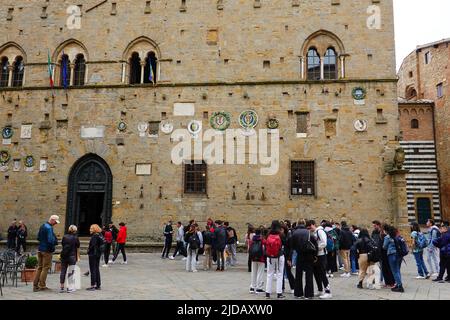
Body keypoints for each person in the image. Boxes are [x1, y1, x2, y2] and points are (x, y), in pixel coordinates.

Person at [289, 220, 317, 299]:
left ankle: (298, 293)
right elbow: (315, 244)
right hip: (309, 255)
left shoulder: (294, 233)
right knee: (309, 275)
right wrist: (315, 255)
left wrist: (290, 257)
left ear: (297, 224)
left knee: (298, 274)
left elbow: (292, 246)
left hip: (299, 255)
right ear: (304, 224)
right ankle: (308, 294)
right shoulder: (308, 232)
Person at [33, 215, 59, 292]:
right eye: (55, 222)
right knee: (46, 267)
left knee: (40, 267)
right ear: (52, 220)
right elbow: (51, 240)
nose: (56, 224)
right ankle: (42, 285)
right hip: (47, 250)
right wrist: (55, 242)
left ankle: (35, 285)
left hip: (40, 249)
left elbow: (38, 237)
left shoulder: (43, 226)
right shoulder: (49, 228)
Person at [308, 220, 332, 299]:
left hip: (321, 255)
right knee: (316, 273)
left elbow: (324, 243)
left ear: (313, 225)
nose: (309, 228)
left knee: (322, 273)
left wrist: (316, 248)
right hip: (316, 255)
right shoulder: (314, 232)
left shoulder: (320, 231)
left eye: (310, 226)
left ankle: (328, 291)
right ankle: (320, 290)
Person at [265, 220, 285, 299]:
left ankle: (267, 293)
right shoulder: (281, 234)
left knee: (269, 274)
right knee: (280, 274)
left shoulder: (268, 234)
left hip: (269, 256)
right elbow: (285, 243)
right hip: (279, 255)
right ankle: (279, 293)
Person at [383, 226, 404, 292]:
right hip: (398, 255)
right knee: (397, 270)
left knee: (394, 271)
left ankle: (400, 286)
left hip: (392, 255)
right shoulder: (397, 236)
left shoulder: (387, 237)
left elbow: (384, 246)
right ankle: (398, 284)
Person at [59, 225, 80, 293]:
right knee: (71, 271)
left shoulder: (64, 236)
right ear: (75, 230)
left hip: (64, 256)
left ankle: (62, 287)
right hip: (72, 256)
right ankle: (70, 287)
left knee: (63, 271)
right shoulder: (75, 237)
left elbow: (62, 244)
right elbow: (78, 245)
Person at [86, 224, 104, 291]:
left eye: (91, 228)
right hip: (98, 254)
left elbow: (92, 246)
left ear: (95, 229)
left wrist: (88, 251)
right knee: (96, 269)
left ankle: (93, 285)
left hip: (93, 254)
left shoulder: (94, 236)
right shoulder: (100, 235)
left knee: (93, 269)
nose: (90, 229)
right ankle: (98, 285)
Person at [249, 227, 266, 294]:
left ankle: (252, 287)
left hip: (253, 258)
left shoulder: (252, 240)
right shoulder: (262, 240)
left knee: (253, 272)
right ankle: (259, 288)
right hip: (261, 258)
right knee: (260, 273)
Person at [281, 224, 295, 294]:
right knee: (281, 272)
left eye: (282, 229)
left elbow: (291, 248)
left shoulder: (289, 236)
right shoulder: (280, 236)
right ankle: (281, 287)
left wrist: (289, 258)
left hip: (287, 256)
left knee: (288, 272)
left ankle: (293, 287)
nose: (281, 231)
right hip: (281, 255)